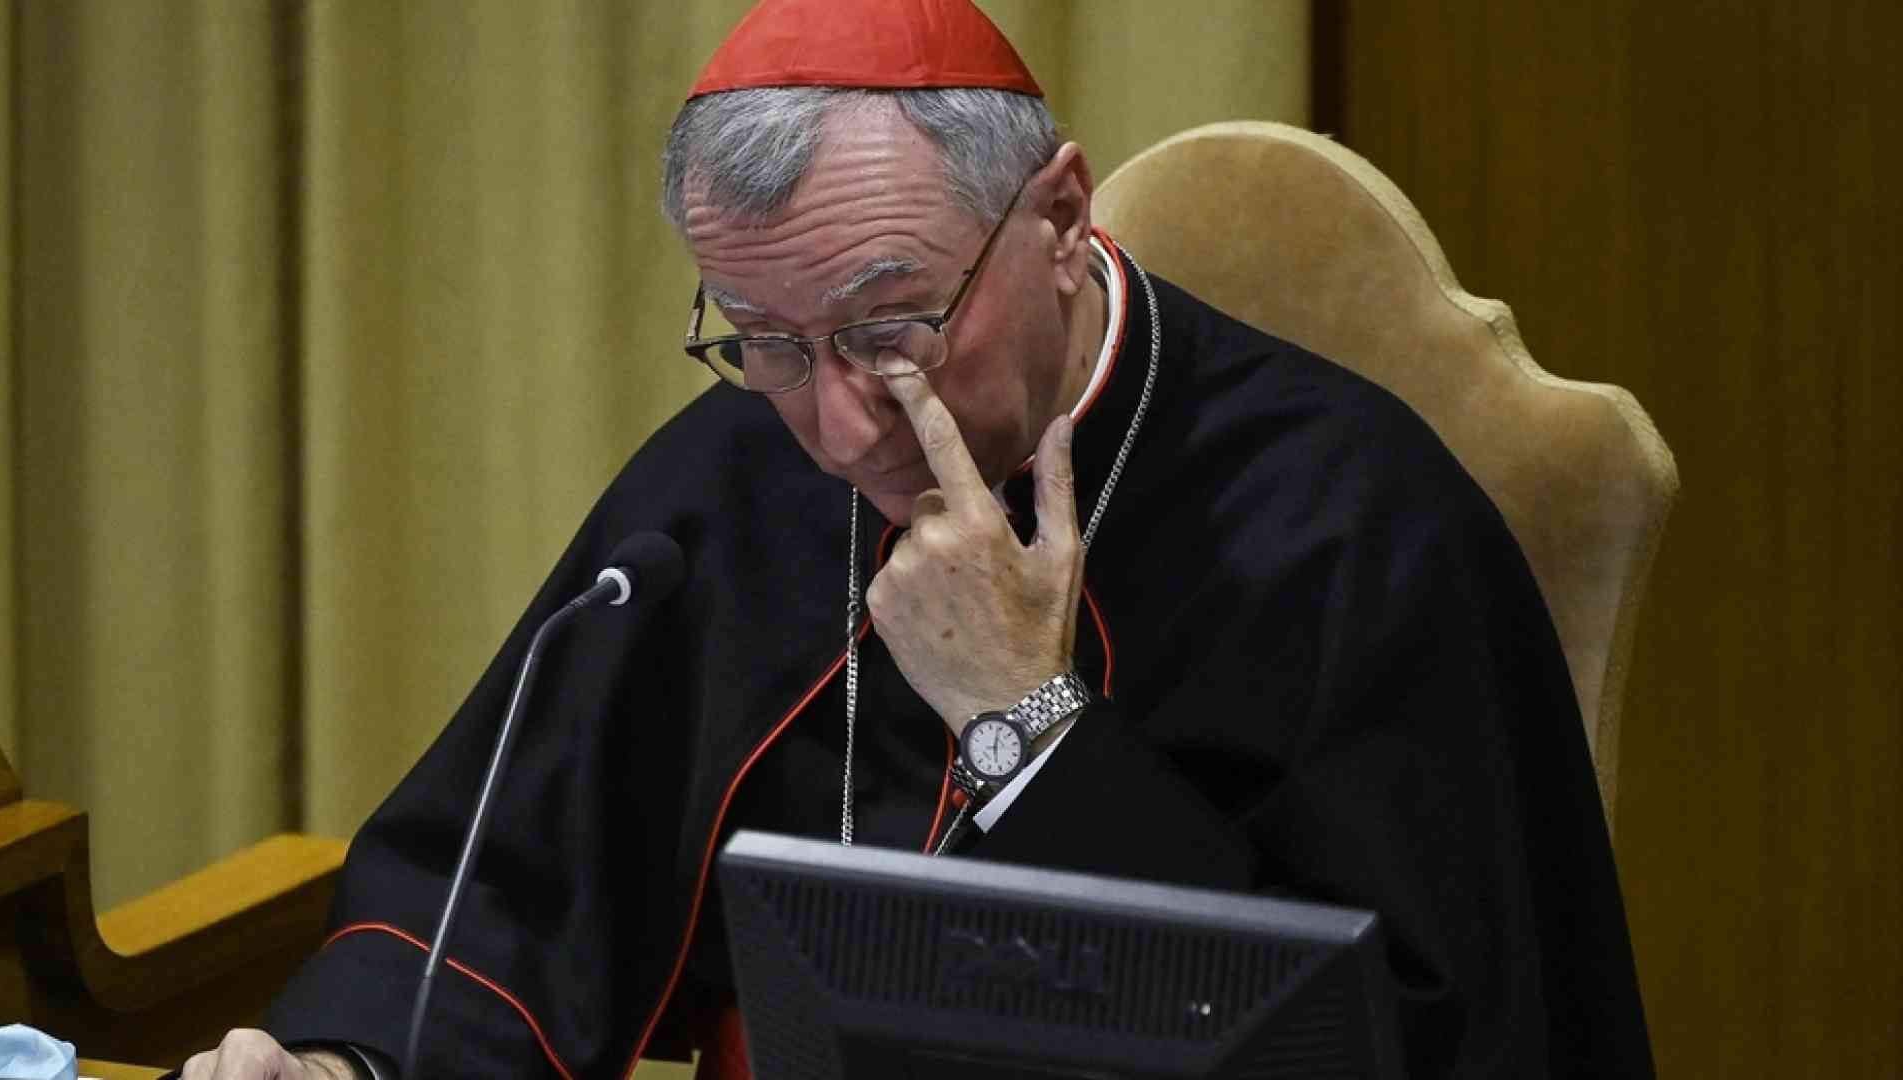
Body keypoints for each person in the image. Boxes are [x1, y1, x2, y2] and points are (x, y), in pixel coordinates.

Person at [176, 1, 1653, 1077]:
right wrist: (352, 1064)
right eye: (764, 340)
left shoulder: (1355, 527)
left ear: (1058, 217)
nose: (838, 427)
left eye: (892, 328)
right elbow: (508, 888)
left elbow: (1404, 1042)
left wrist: (1028, 725)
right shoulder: (729, 485)